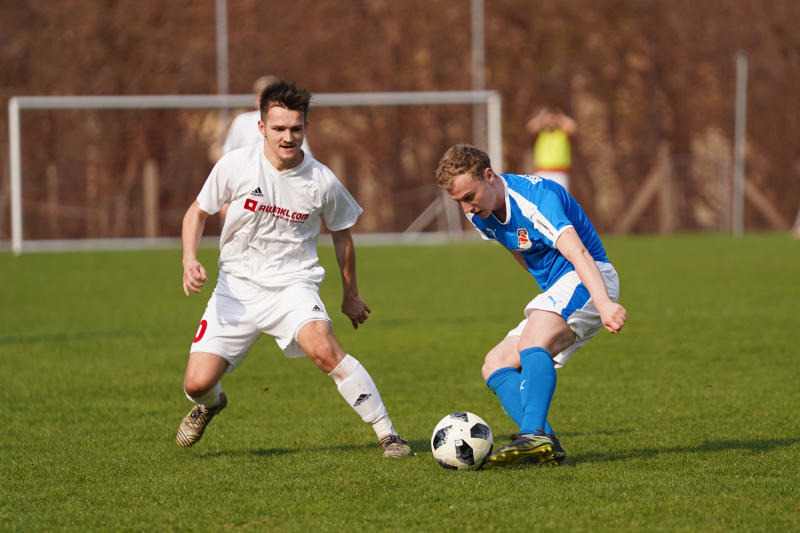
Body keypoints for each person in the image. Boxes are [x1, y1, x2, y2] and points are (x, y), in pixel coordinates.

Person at [177, 79, 411, 458]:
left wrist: (350, 294)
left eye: (296, 129)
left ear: (305, 128)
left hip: (293, 287)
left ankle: (389, 435)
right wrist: (189, 259)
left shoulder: (322, 181)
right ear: (261, 128)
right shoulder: (236, 165)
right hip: (235, 289)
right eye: (279, 129)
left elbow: (342, 235)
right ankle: (211, 403)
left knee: (324, 350)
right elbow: (197, 211)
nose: (288, 137)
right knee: (196, 383)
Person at [435, 144, 627, 468]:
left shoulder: (536, 200)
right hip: (563, 287)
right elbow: (517, 250)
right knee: (495, 364)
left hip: (589, 277)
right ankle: (546, 445)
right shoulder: (480, 216)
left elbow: (579, 254)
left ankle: (532, 434)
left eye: (470, 196)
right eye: (459, 202)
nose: (466, 207)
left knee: (532, 342)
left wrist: (606, 305)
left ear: (488, 175)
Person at [222, 75, 312, 156]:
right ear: (261, 127)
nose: (287, 137)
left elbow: (304, 155)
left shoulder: (291, 121)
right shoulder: (242, 121)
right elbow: (228, 152)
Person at [525, 106, 576, 192]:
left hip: (560, 173)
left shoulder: (562, 133)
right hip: (542, 171)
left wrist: (560, 117)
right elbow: (529, 127)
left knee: (561, 198)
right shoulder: (540, 133)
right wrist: (541, 117)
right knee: (541, 197)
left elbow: (573, 126)